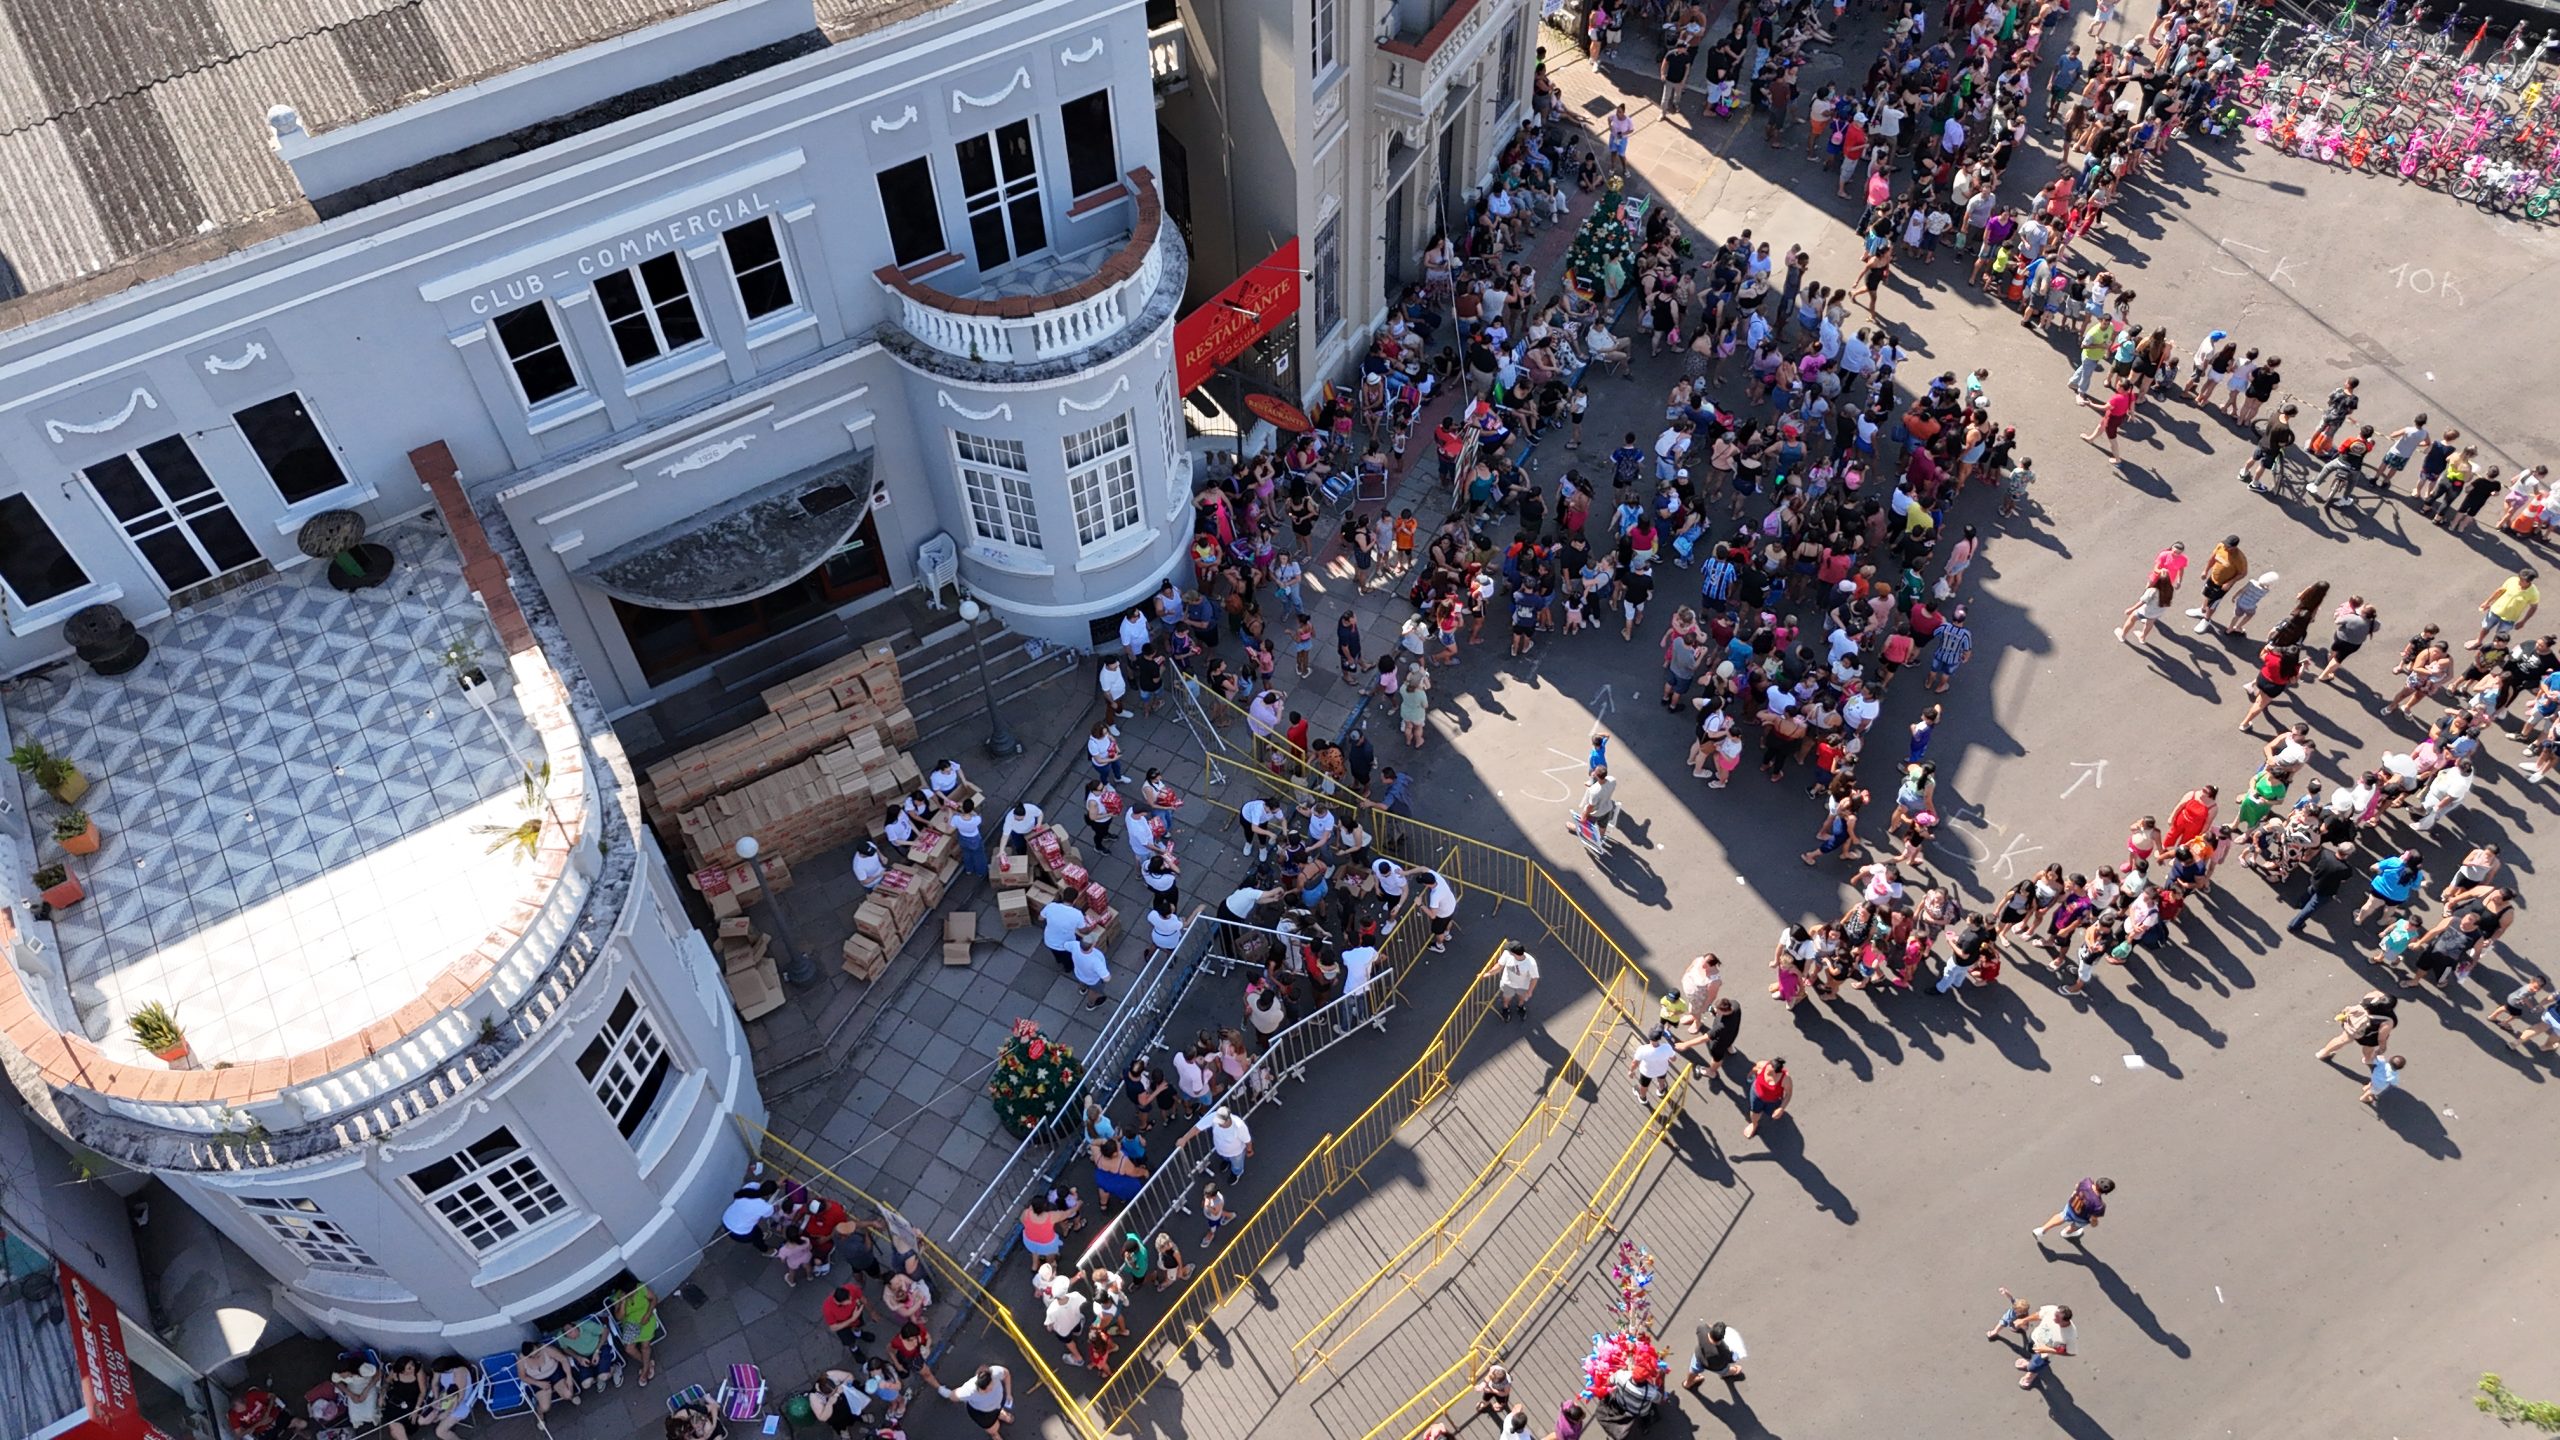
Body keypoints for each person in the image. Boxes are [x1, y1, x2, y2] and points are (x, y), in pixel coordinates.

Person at [930, 1364, 1014, 1438]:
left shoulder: (995, 1372)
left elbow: (1006, 1374)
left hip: (998, 1403)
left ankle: (999, 1413)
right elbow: (952, 1396)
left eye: (991, 1387)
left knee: (998, 1408)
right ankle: (995, 1435)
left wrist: (1009, 1394)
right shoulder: (968, 1390)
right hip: (983, 1413)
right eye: (984, 1390)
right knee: (993, 1428)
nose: (989, 1392)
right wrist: (941, 1389)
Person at [2316, 991, 2398, 1066]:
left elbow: (2375, 994)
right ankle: (2367, 1059)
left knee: (2341, 1039)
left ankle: (2323, 1053)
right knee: (2368, 1047)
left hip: (2353, 1024)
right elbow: (2381, 1038)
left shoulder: (2372, 996)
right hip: (2368, 1035)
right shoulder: (2387, 1021)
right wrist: (2382, 1048)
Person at [2031, 1176, 2115, 1242]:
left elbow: (2077, 1186)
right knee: (2076, 1225)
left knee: (2061, 1216)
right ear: (2106, 1193)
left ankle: (2041, 1230)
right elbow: (2093, 1218)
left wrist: (2075, 1193)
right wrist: (2094, 1224)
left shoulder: (2087, 1182)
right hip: (2081, 1217)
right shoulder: (2099, 1205)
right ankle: (2066, 1233)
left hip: (2071, 1206)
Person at [2014, 1305, 2076, 1389]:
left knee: (2034, 1367)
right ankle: (2029, 1363)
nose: (2053, 1319)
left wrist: (2048, 1350)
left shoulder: (2070, 1334)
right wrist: (2023, 1320)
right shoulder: (2052, 1310)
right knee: (2029, 1350)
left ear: (2065, 1321)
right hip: (2034, 1338)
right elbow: (2039, 1315)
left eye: (2057, 1319)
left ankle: (2030, 1375)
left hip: (2044, 1353)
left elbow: (2070, 1352)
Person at [1191, 1105, 1254, 1179]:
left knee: (1237, 1166)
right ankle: (1227, 1161)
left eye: (1221, 1123)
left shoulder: (1239, 1126)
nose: (1218, 1124)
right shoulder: (1215, 1117)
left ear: (1228, 1119)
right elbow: (1198, 1127)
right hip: (1221, 1150)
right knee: (1225, 1158)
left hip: (1236, 1153)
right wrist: (1184, 1139)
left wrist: (1249, 1150)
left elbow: (1247, 1140)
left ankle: (1237, 1173)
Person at [1683, 1319, 1747, 1389]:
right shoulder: (1724, 1350)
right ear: (1722, 1338)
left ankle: (1688, 1383)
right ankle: (1730, 1373)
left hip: (1699, 1356)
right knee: (1725, 1370)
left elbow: (1707, 1325)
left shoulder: (1702, 1329)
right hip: (1715, 1366)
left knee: (1693, 1369)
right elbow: (1731, 1359)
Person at [1741, 1056, 1791, 1140]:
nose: (1766, 1073)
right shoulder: (1763, 1065)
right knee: (1754, 1112)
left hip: (1773, 1101)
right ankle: (1754, 1124)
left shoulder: (1785, 1079)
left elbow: (1789, 1094)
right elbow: (1755, 1069)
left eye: (1769, 1073)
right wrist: (1750, 1075)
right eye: (1766, 1070)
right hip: (1756, 1095)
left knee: (1772, 1113)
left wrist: (1781, 1108)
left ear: (1777, 1073)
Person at [1489, 940, 1541, 1021]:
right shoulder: (1507, 954)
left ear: (1514, 953)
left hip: (1522, 985)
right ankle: (1505, 1007)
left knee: (1522, 997)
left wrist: (1530, 991)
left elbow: (1534, 978)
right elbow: (1499, 966)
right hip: (1508, 983)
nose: (1507, 951)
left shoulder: (1531, 963)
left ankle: (1520, 1006)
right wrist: (1488, 973)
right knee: (1507, 997)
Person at [1629, 1028, 1679, 1104]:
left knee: (1644, 1086)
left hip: (1646, 1072)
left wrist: (1631, 1071)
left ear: (1649, 1038)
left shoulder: (1642, 1049)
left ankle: (1643, 1098)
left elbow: (1635, 1063)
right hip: (1662, 1069)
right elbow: (1674, 1059)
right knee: (1661, 1080)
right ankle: (1661, 1090)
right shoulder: (1666, 1047)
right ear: (1659, 1038)